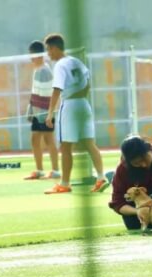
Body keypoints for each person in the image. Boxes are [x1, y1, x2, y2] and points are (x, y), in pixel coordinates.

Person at [43, 33, 107, 194]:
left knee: (65, 147)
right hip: (84, 104)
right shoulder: (77, 62)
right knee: (90, 143)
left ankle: (65, 183)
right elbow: (88, 84)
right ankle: (101, 177)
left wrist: (50, 113)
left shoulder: (60, 65)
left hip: (70, 105)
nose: (48, 54)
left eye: (49, 50)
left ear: (55, 48)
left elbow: (57, 89)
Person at [23, 40, 61, 181]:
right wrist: (31, 111)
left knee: (48, 139)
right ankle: (39, 170)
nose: (31, 57)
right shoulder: (37, 71)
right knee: (35, 139)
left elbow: (47, 95)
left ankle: (56, 170)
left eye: (32, 54)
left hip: (45, 112)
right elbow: (35, 93)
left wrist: (47, 114)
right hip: (37, 112)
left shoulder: (45, 71)